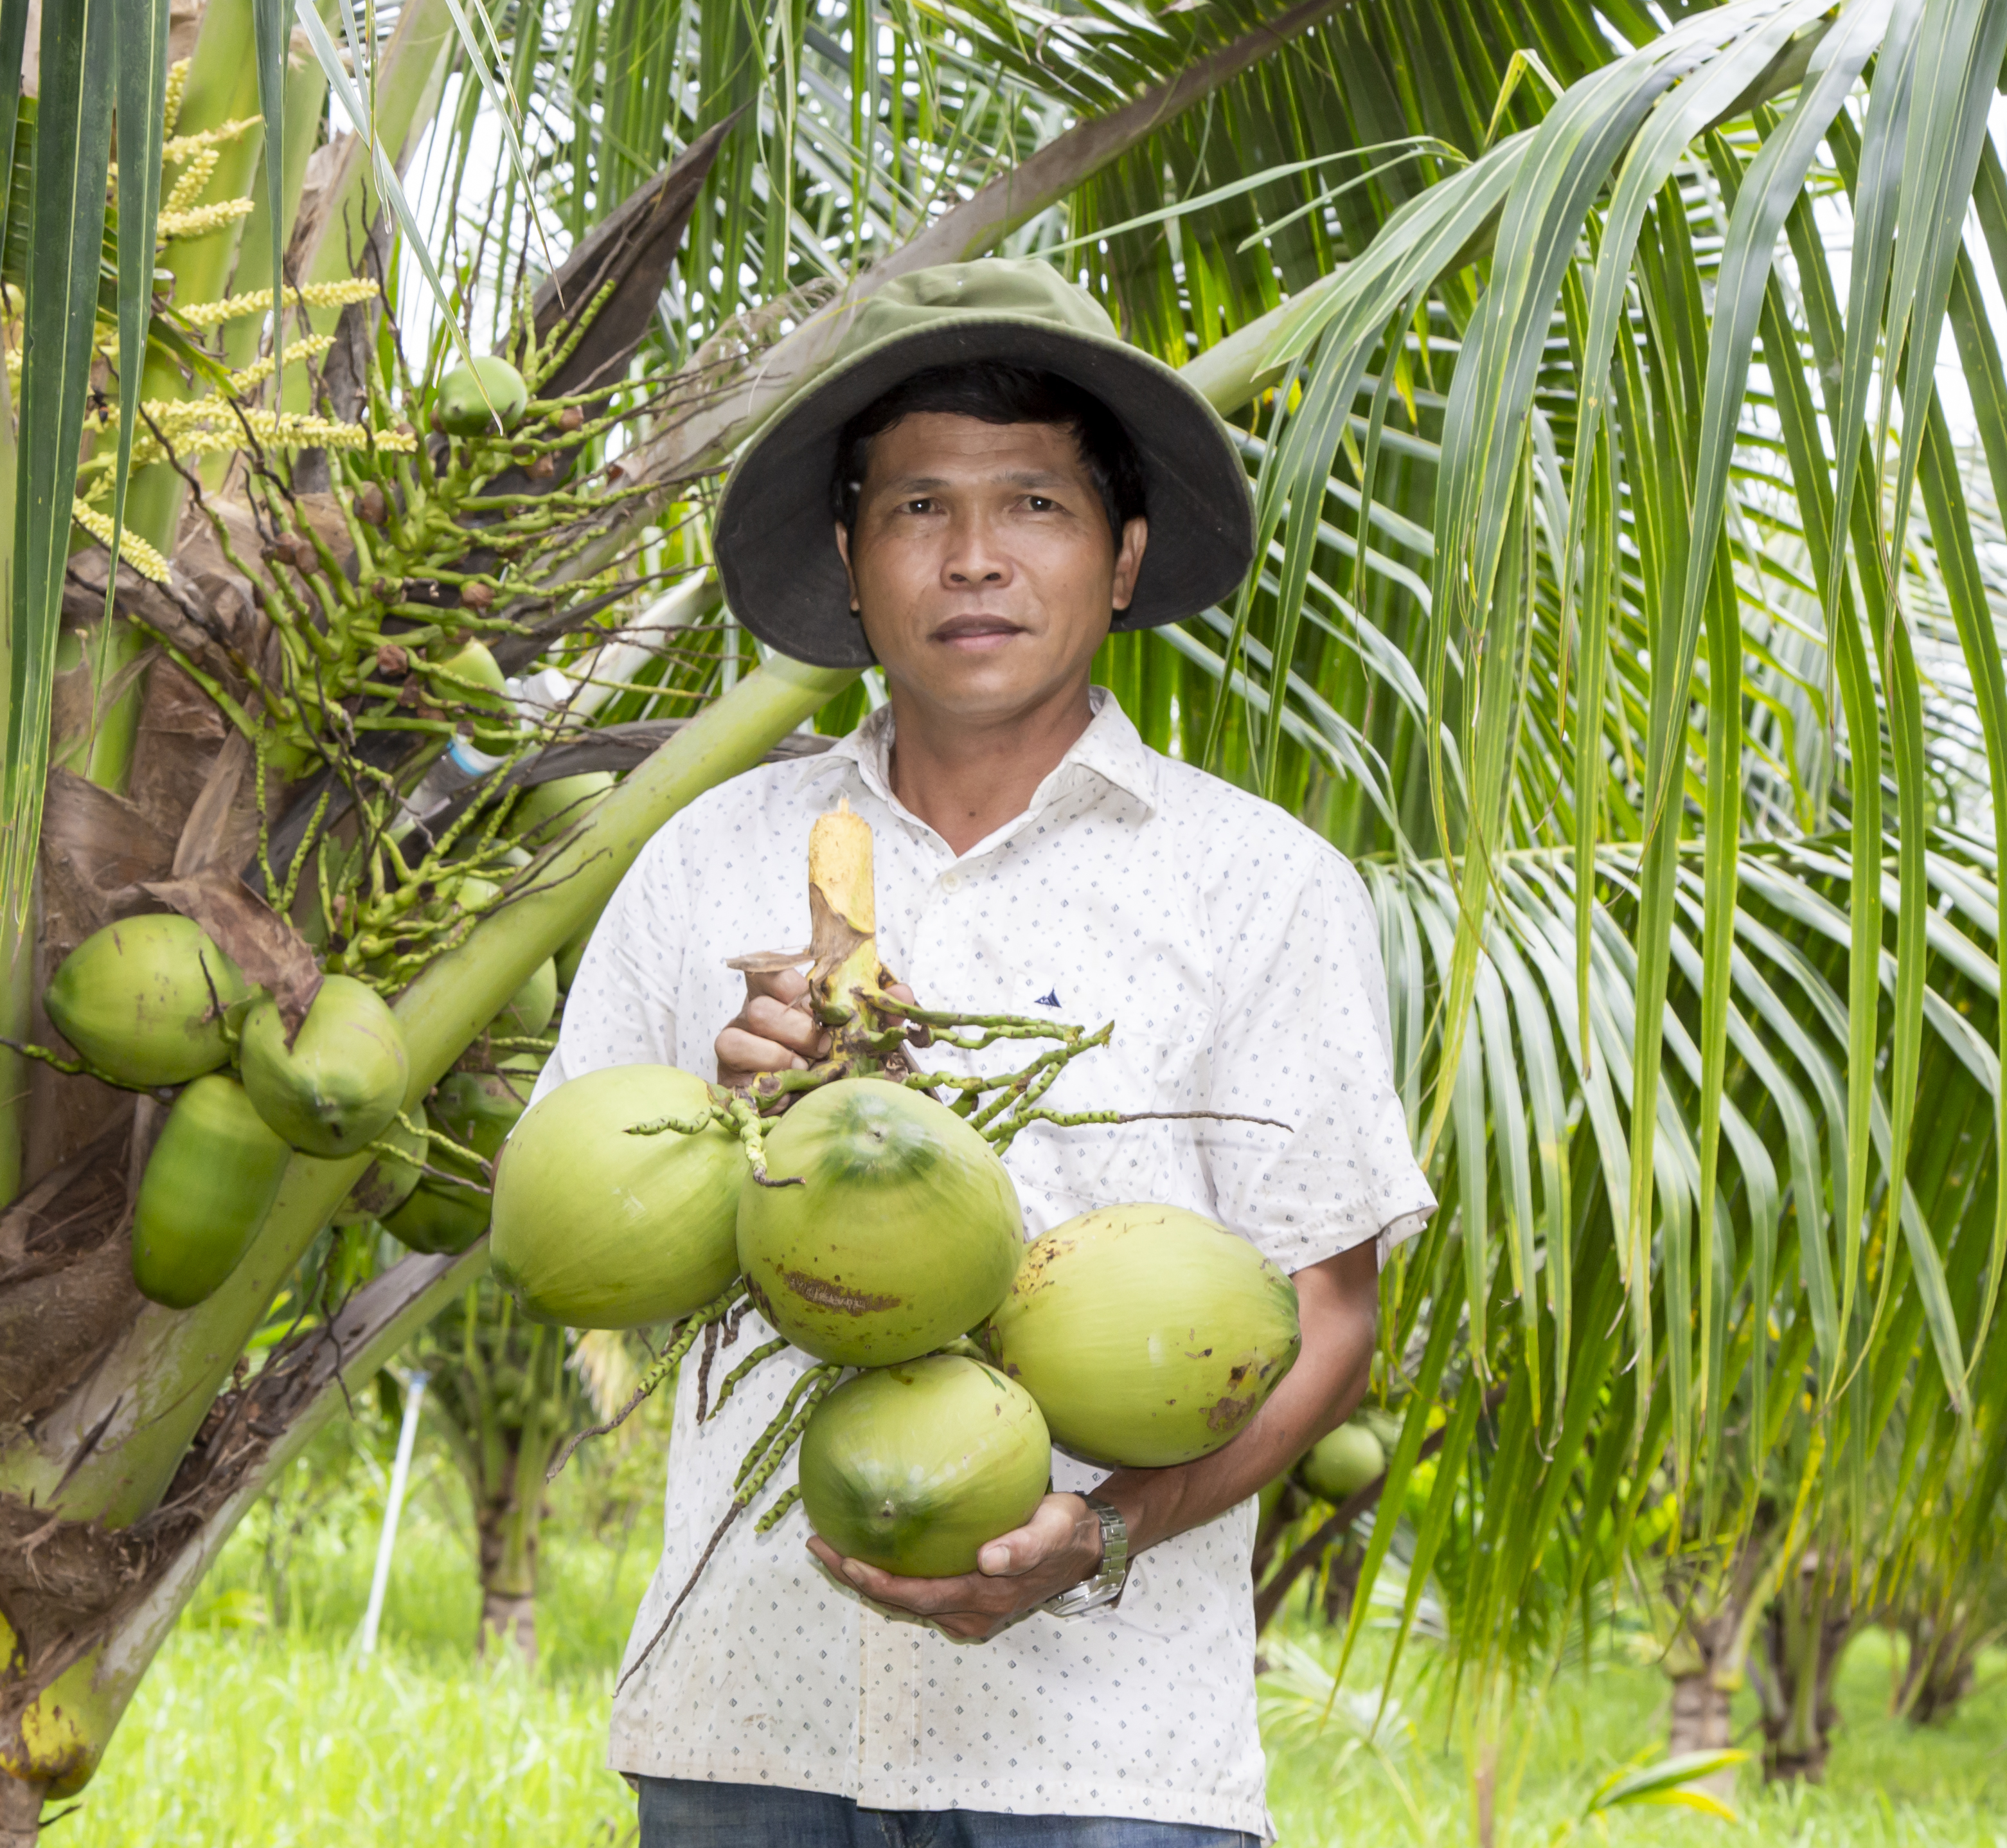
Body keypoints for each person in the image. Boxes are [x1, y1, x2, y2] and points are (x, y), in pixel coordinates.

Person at [536, 258, 1437, 1846]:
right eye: (915, 507)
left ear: (1122, 553)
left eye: (1033, 504)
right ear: (849, 552)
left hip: (1101, 1757)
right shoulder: (703, 861)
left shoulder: (1261, 885)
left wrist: (1101, 1530)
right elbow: (576, 1246)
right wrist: (721, 1131)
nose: (972, 558)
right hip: (754, 1718)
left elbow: (1326, 1310)